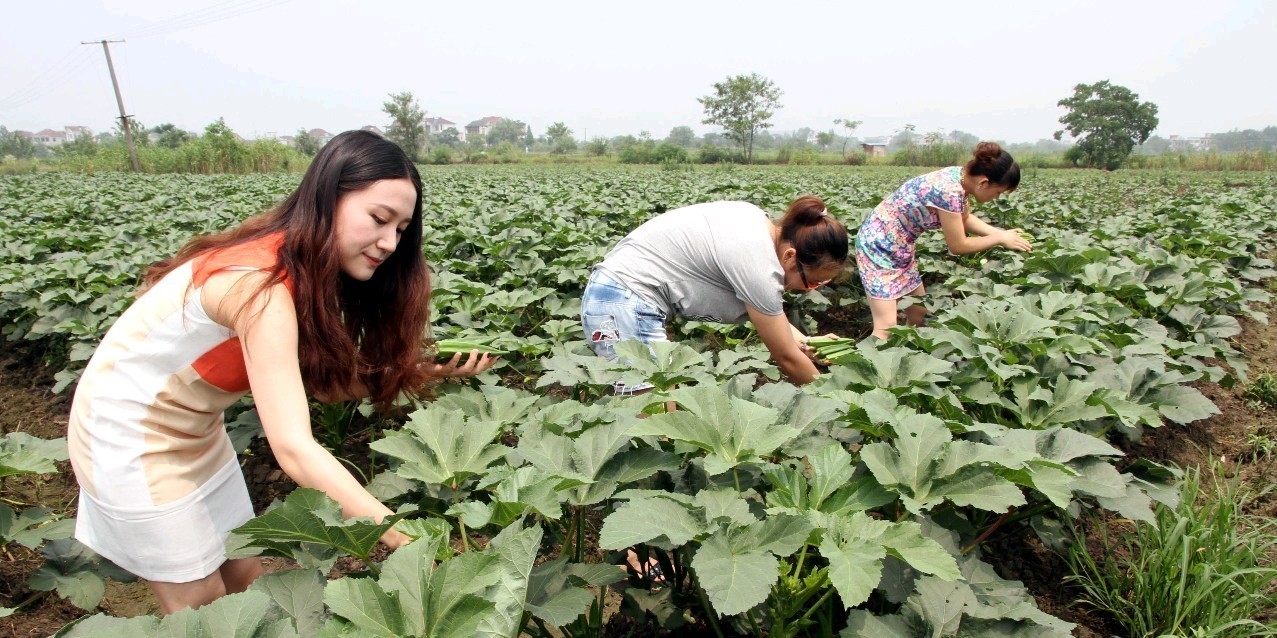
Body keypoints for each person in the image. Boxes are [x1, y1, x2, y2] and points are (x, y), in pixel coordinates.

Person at [66, 130, 497, 613]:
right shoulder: (260, 287)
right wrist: (399, 533)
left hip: (195, 432)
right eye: (379, 219)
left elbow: (325, 387)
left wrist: (423, 371)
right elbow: (293, 448)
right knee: (205, 613)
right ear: (326, 198)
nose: (389, 242)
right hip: (125, 436)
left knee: (248, 584)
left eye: (400, 229)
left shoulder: (304, 268)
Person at [581, 195, 848, 390]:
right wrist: (833, 400)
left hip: (617, 295)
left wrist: (809, 345)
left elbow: (773, 319)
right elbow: (787, 357)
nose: (810, 289)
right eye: (812, 282)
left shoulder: (756, 221)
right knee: (655, 409)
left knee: (654, 403)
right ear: (790, 257)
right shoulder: (758, 266)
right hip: (623, 302)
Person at [855, 141, 1030, 339]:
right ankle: (872, 365)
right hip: (878, 247)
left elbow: (963, 219)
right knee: (886, 327)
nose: (996, 198)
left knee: (918, 311)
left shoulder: (960, 178)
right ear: (983, 183)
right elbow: (958, 245)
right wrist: (999, 238)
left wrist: (1000, 233)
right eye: (998, 192)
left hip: (900, 247)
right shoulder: (950, 191)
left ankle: (903, 356)